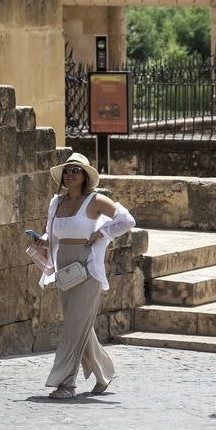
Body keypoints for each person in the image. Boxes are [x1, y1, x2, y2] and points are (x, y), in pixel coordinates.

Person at [33, 152, 135, 399]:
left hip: (86, 266)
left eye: (75, 171)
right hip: (64, 268)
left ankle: (66, 383)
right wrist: (42, 241)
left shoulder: (96, 200)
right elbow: (53, 232)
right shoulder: (55, 202)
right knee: (78, 325)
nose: (70, 175)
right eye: (67, 171)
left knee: (73, 326)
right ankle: (103, 374)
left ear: (85, 176)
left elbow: (127, 220)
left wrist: (103, 233)